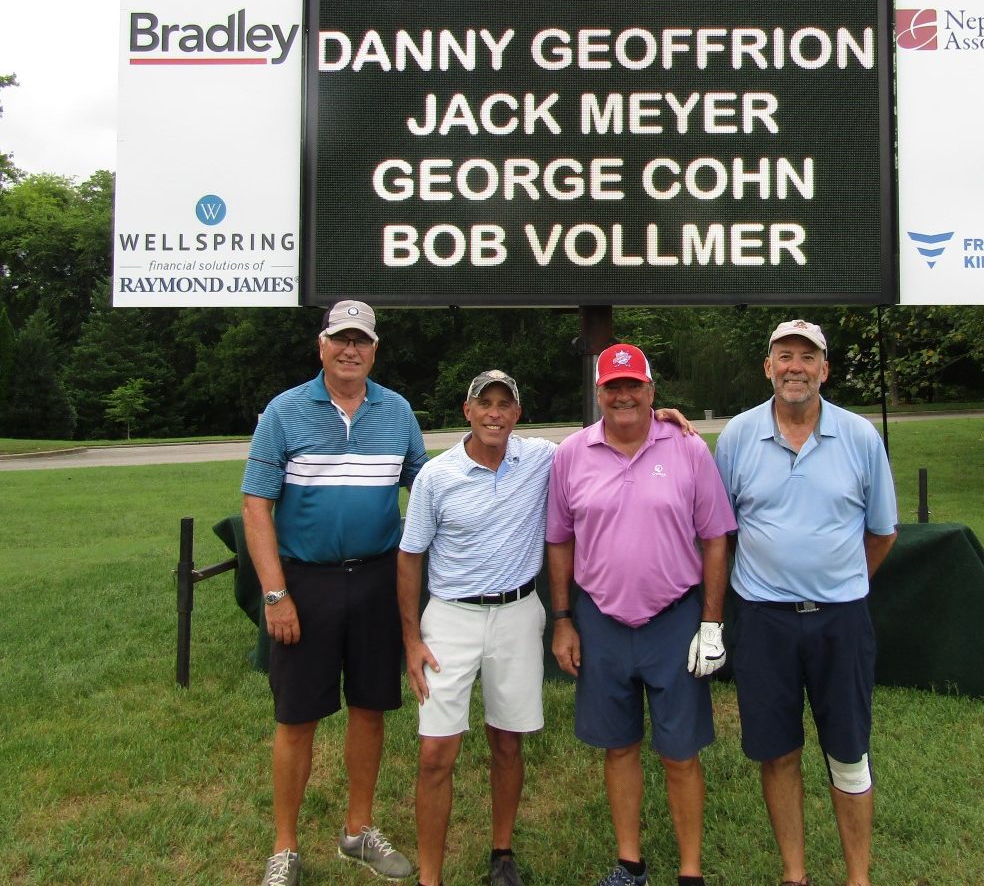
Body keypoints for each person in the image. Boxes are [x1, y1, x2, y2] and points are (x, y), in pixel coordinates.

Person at [399, 368, 696, 886]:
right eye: (484, 404)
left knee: (507, 742)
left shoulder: (542, 458)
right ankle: (430, 877)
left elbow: (606, 436)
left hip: (517, 613)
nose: (494, 414)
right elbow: (409, 558)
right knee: (435, 752)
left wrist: (657, 418)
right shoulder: (436, 475)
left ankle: (502, 853)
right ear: (467, 411)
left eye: (504, 405)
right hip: (450, 616)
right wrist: (411, 639)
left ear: (518, 413)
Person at [242, 300, 428, 886]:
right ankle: (285, 847)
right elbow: (256, 505)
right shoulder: (284, 411)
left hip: (376, 579)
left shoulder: (396, 410)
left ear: (374, 350)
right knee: (297, 716)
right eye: (341, 339)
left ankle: (358, 830)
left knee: (370, 708)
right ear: (321, 346)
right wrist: (276, 594)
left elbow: (426, 488)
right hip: (307, 581)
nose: (351, 350)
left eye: (361, 341)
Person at [713, 319, 898, 886]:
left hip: (841, 621)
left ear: (825, 369)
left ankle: (858, 877)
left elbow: (882, 532)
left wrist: (842, 582)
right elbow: (721, 531)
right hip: (763, 621)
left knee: (849, 754)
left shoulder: (860, 436)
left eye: (807, 357)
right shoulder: (737, 436)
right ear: (768, 367)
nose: (796, 367)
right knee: (778, 752)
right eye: (785, 356)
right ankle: (795, 875)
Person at [546, 343, 737, 886]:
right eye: (613, 386)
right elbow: (559, 540)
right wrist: (563, 619)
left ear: (652, 390)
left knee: (680, 754)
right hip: (600, 621)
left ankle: (690, 870)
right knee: (619, 747)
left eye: (634, 385)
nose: (624, 395)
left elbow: (715, 538)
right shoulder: (571, 454)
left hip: (674, 620)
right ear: (599, 393)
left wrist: (711, 622)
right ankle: (630, 864)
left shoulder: (688, 447)